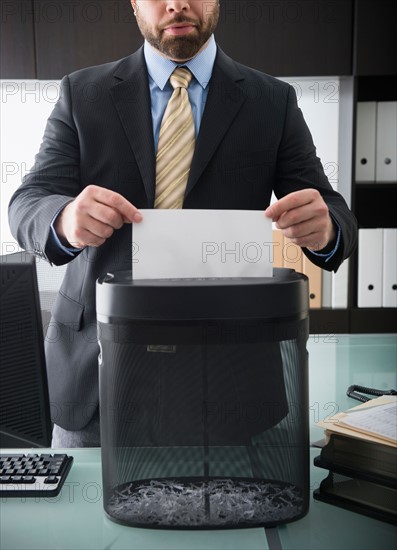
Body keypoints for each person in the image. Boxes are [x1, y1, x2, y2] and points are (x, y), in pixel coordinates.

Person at [8, 0, 357, 447]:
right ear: (134, 3)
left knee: (239, 514)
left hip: (232, 380)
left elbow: (334, 211)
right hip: (97, 376)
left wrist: (325, 230)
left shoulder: (273, 99)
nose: (177, 4)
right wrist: (62, 219)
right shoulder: (83, 92)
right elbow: (28, 201)